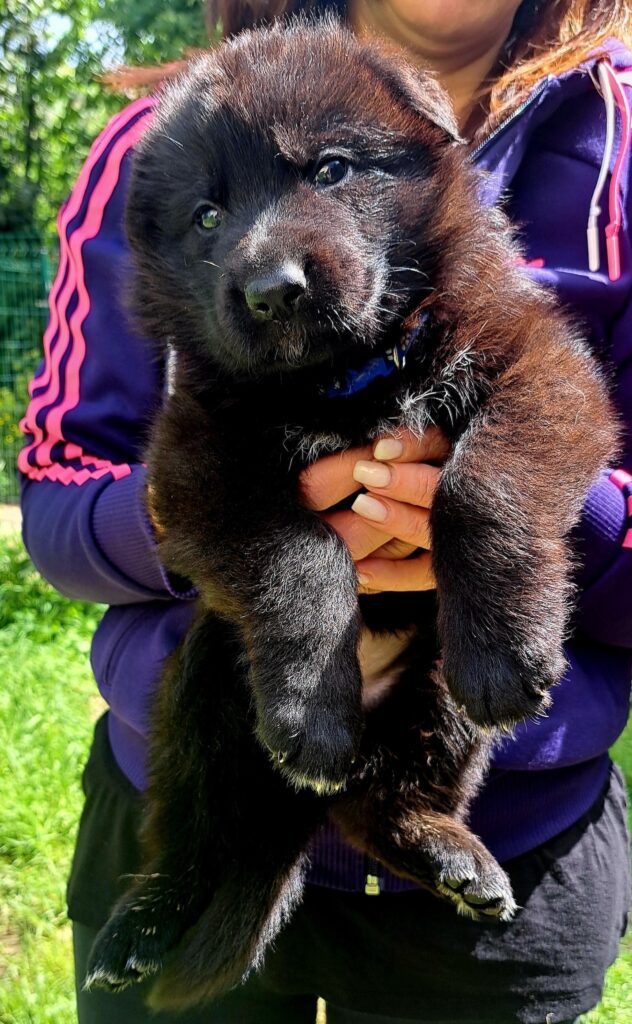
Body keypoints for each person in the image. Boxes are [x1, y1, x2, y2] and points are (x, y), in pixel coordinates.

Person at [18, 1, 632, 1022]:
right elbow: (72, 486)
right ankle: (195, 890)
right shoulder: (155, 138)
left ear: (427, 155)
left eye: (331, 171)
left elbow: (547, 397)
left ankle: (408, 818)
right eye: (209, 220)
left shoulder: (602, 142)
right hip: (217, 751)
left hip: (511, 852)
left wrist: (505, 531)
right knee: (215, 678)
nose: (272, 258)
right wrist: (263, 558)